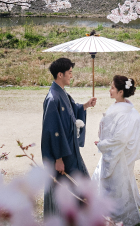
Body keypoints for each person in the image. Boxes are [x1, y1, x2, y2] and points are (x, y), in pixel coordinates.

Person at [41, 57, 97, 216]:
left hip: (69, 149)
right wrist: (58, 158)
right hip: (61, 154)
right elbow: (52, 130)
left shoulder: (61, 93)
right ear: (60, 74)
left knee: (78, 183)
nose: (71, 76)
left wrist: (86, 105)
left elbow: (72, 109)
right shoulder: (53, 98)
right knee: (67, 185)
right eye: (70, 73)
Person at [91, 75, 140, 226]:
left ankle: (115, 216)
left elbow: (120, 139)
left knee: (115, 187)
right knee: (119, 185)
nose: (109, 90)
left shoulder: (126, 113)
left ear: (120, 92)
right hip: (116, 152)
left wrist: (103, 144)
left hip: (119, 156)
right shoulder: (124, 108)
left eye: (112, 87)